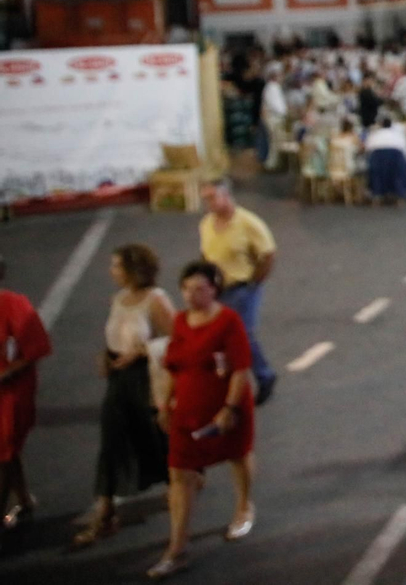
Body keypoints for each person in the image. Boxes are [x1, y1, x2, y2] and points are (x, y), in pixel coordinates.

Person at [148, 261, 256, 579]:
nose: (191, 295)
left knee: (237, 456)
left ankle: (243, 506)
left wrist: (229, 409)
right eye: (186, 288)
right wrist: (165, 404)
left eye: (200, 288)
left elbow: (239, 368)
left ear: (214, 289)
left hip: (225, 407)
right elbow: (174, 367)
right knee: (179, 474)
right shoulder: (180, 321)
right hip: (187, 411)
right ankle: (177, 547)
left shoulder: (228, 321)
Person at [72, 244, 173, 549]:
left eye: (117, 266)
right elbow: (115, 335)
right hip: (119, 379)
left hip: (146, 377)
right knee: (112, 439)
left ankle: (181, 476)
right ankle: (105, 511)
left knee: (154, 435)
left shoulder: (156, 300)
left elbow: (176, 338)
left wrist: (140, 352)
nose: (111, 271)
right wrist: (107, 355)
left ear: (135, 269)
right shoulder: (118, 299)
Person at [197, 183, 277, 405]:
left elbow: (267, 254)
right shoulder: (206, 224)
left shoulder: (248, 223)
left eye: (212, 197)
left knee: (243, 335)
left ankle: (264, 375)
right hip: (218, 289)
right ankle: (227, 384)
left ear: (227, 196)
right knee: (220, 338)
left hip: (242, 288)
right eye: (206, 199)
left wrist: (254, 282)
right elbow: (206, 254)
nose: (208, 203)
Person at [0, 253, 52, 538]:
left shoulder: (13, 304)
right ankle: (23, 499)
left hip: (11, 391)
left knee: (4, 451)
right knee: (6, 449)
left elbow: (37, 348)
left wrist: (6, 374)